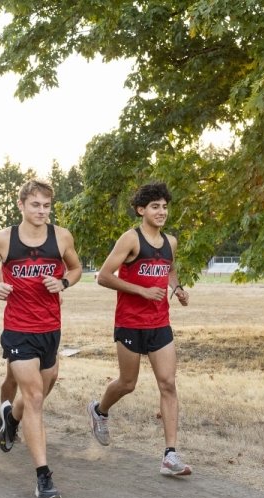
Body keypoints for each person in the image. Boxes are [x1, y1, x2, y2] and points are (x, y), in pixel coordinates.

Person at [0, 179, 82, 498]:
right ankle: (43, 477)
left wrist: (62, 281)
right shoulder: (3, 239)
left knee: (42, 390)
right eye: (35, 205)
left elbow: (75, 268)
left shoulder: (61, 236)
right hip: (18, 330)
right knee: (34, 396)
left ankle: (11, 419)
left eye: (47, 206)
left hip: (50, 329)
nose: (42, 211)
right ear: (21, 205)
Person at [87, 182, 192, 476]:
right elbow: (104, 277)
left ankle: (170, 455)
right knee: (127, 383)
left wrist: (178, 288)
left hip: (160, 323)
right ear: (141, 210)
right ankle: (99, 410)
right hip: (130, 323)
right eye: (155, 206)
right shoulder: (130, 240)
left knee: (168, 383)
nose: (162, 212)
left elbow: (169, 269)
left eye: (165, 206)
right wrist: (142, 292)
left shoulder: (170, 242)